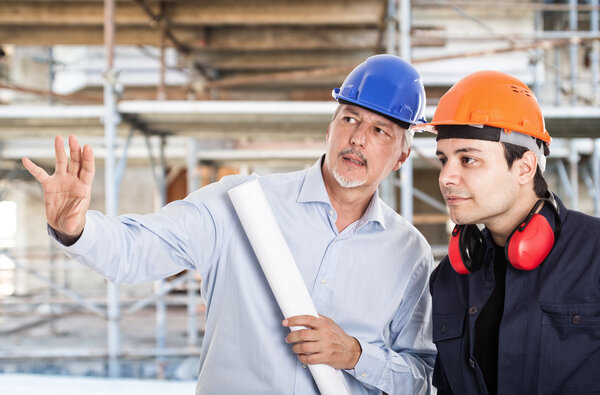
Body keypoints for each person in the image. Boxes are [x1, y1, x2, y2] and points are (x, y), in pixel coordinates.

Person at [22, 54, 436, 394]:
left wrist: (354, 355)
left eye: (380, 130)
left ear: (401, 157)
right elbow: (138, 250)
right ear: (330, 127)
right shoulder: (241, 203)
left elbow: (421, 376)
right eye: (349, 118)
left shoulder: (408, 252)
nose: (358, 138)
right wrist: (74, 228)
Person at [417, 70, 600, 394]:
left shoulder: (594, 255)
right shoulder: (449, 278)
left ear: (525, 167)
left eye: (468, 159)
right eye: (444, 159)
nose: (446, 177)